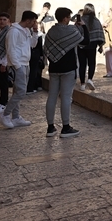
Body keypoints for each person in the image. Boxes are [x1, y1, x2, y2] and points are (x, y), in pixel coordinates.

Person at [44, 7, 83, 137]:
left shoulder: (51, 31)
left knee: (52, 97)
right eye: (68, 17)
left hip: (54, 68)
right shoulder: (71, 30)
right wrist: (82, 27)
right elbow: (84, 40)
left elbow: (47, 48)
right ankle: (65, 127)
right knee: (66, 97)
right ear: (66, 18)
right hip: (68, 68)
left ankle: (50, 127)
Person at [1, 10, 39, 129]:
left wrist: (35, 32)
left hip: (25, 63)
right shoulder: (13, 31)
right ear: (27, 20)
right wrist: (17, 66)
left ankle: (16, 117)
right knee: (22, 91)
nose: (34, 23)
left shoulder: (26, 30)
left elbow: (32, 44)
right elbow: (11, 49)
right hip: (18, 64)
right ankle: (5, 114)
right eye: (33, 21)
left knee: (17, 91)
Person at [78, 4, 104, 90]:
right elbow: (100, 33)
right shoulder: (96, 21)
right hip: (92, 45)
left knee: (82, 64)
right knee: (92, 63)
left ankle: (82, 84)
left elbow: (76, 32)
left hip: (81, 45)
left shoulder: (80, 20)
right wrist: (100, 45)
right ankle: (90, 79)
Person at [101, 7, 112, 78]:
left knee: (109, 58)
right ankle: (111, 71)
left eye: (109, 11)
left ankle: (111, 72)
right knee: (109, 57)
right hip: (109, 42)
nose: (108, 12)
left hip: (110, 42)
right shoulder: (110, 21)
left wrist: (106, 27)